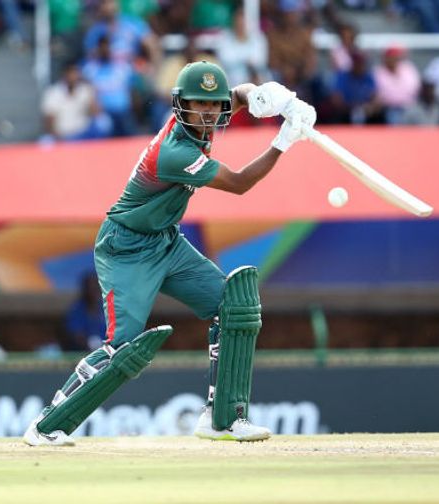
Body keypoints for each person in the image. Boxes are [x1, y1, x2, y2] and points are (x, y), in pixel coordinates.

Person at [23, 61, 316, 446]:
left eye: (214, 106)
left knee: (233, 306)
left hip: (166, 240)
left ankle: (223, 419)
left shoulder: (204, 116)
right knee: (122, 346)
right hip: (126, 247)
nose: (209, 113)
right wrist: (283, 140)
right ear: (181, 105)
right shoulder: (174, 152)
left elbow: (235, 98)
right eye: (200, 105)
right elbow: (241, 184)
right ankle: (47, 425)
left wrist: (263, 96)